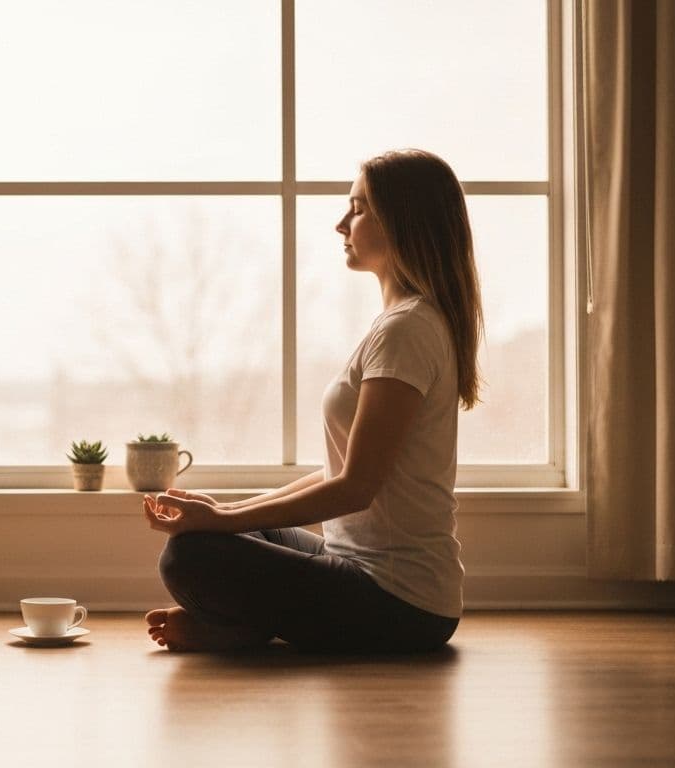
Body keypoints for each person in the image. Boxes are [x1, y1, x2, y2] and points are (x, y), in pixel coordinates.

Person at [142, 148, 483, 653]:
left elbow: (355, 488)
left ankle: (239, 630)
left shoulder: (408, 330)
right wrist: (231, 510)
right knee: (211, 538)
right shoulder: (406, 322)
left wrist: (225, 520)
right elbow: (342, 472)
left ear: (402, 220)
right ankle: (241, 627)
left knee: (188, 557)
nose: (341, 223)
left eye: (359, 208)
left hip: (401, 604)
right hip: (360, 571)